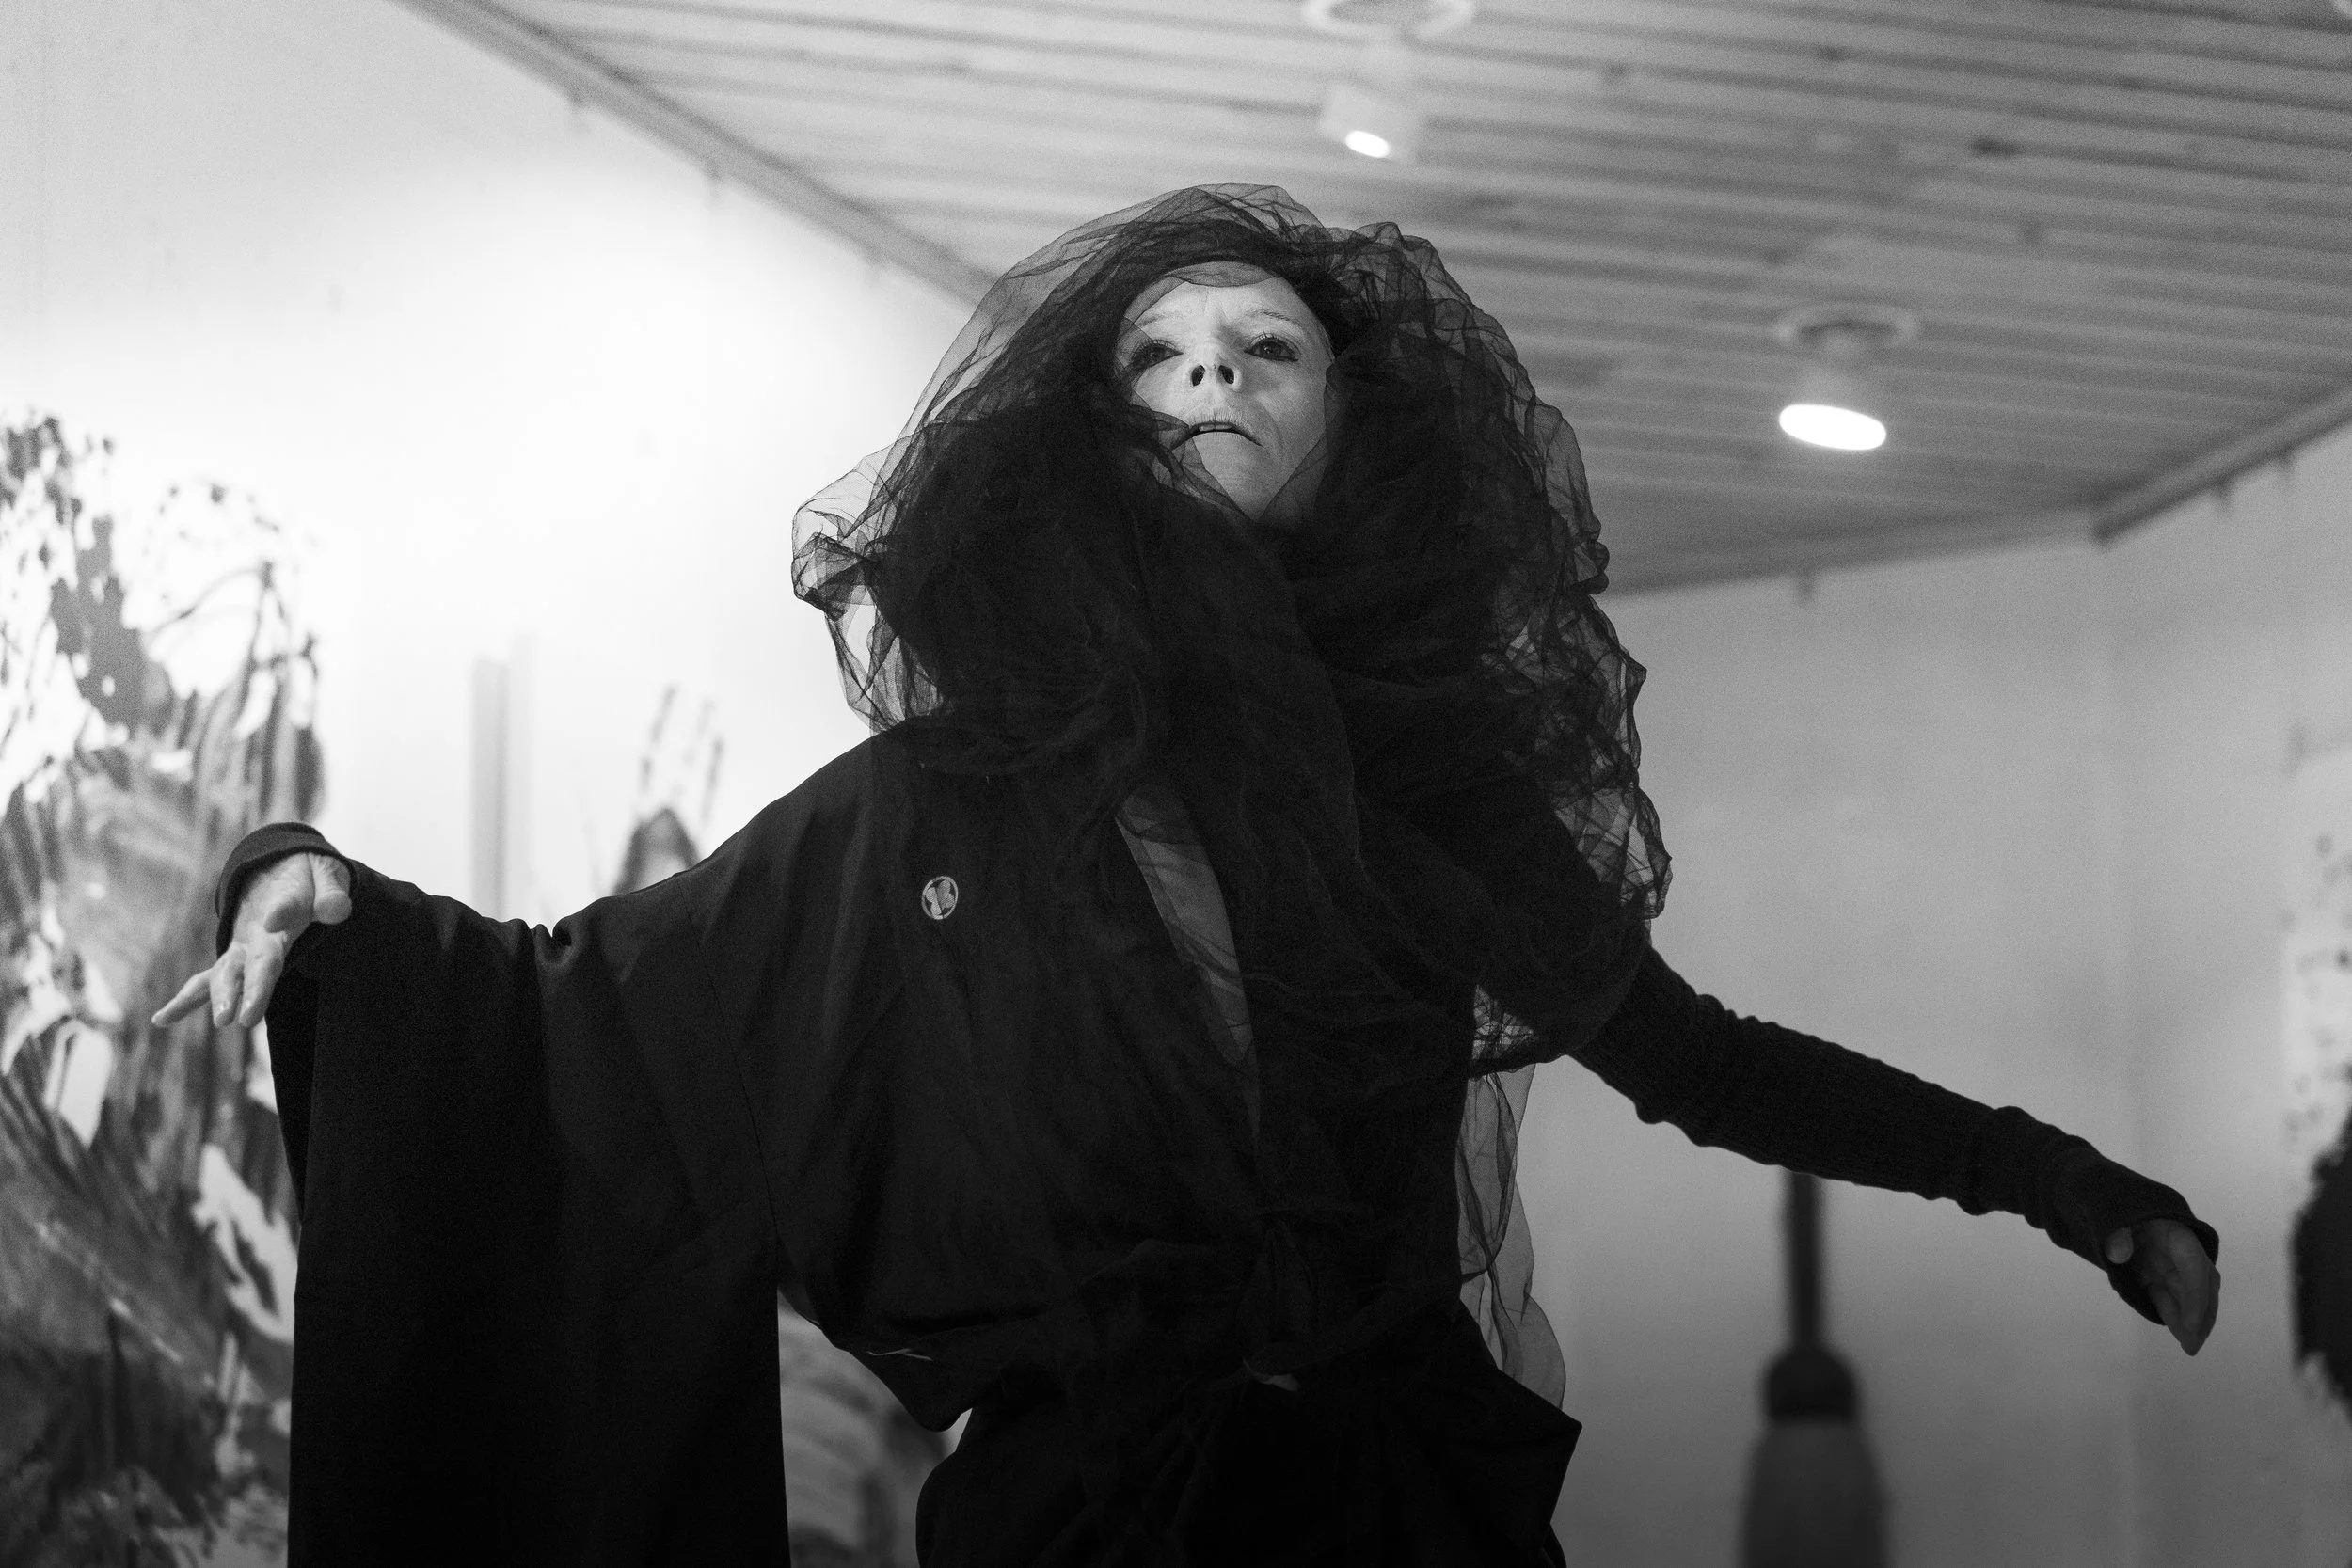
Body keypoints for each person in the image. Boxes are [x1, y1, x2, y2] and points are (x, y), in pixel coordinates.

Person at [157, 187, 2219, 1568]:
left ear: (1351, 431)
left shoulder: (1436, 799)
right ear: (1093, 433)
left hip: (1399, 1510)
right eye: (1157, 354)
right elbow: (584, 1011)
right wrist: (316, 887)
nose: (1211, 375)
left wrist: (2060, 1181)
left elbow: (1705, 1064)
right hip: (1086, 1523)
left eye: (1267, 349)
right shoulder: (946, 800)